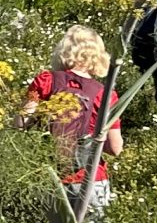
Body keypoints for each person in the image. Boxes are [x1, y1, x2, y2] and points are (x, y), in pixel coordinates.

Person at [22, 24, 124, 208]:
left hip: (51, 180)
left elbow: (20, 123)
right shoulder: (105, 94)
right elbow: (115, 148)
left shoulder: (45, 81)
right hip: (91, 180)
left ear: (63, 51)